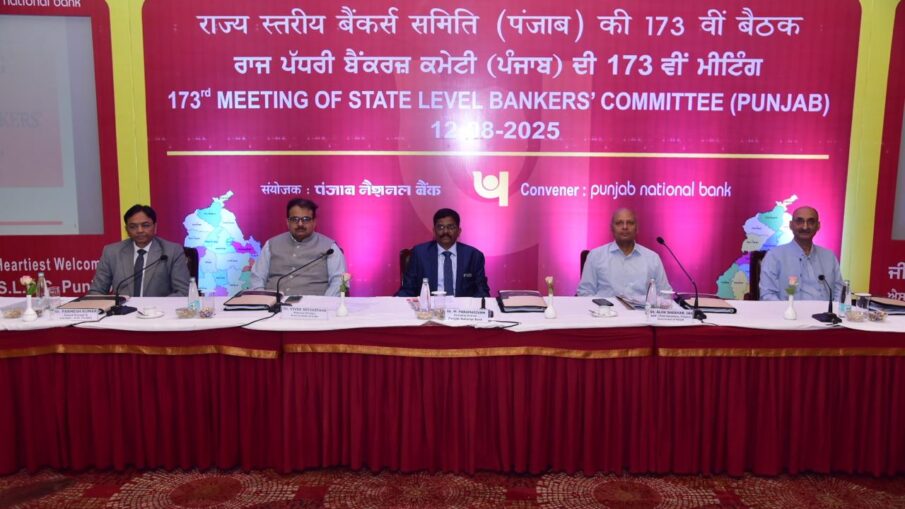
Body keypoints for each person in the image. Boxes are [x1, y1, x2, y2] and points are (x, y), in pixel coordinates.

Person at [250, 198, 347, 296]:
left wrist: (324, 302)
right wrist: (262, 299)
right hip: (274, 303)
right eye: (294, 219)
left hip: (313, 304)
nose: (300, 224)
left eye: (306, 219)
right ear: (287, 222)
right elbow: (257, 277)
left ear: (314, 222)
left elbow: (339, 280)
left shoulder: (330, 248)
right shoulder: (271, 245)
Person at [89, 204, 190, 296]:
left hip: (159, 310)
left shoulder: (172, 251)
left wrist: (157, 306)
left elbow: (183, 292)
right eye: (133, 227)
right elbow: (96, 291)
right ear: (127, 230)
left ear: (155, 227)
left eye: (145, 225)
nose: (139, 230)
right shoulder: (112, 252)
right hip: (122, 309)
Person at [577, 208, 672, 299]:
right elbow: (585, 293)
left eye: (630, 223)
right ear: (612, 228)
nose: (625, 227)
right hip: (605, 309)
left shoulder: (652, 258)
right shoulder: (595, 256)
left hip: (641, 310)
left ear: (637, 228)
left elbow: (665, 294)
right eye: (619, 223)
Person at [396, 208, 490, 297]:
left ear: (459, 231)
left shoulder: (473, 256)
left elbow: (482, 291)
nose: (445, 231)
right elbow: (408, 289)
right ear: (434, 231)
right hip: (429, 307)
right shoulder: (419, 253)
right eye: (440, 227)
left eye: (451, 227)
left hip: (462, 307)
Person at [759, 206, 843, 301]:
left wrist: (834, 309)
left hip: (826, 310)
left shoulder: (829, 256)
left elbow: (839, 290)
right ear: (791, 225)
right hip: (787, 310)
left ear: (818, 226)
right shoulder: (774, 256)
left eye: (811, 222)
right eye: (799, 221)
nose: (805, 227)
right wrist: (787, 310)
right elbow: (767, 295)